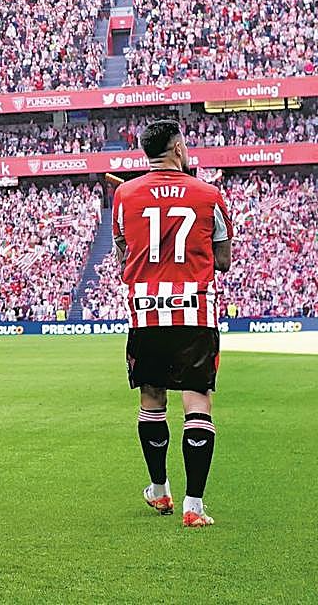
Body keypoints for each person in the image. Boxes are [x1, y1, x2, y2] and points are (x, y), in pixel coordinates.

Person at [113, 120, 233, 528]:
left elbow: (122, 256)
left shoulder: (124, 195)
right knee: (197, 400)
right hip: (195, 312)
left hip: (146, 312)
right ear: (179, 148)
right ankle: (193, 505)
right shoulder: (208, 195)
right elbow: (223, 261)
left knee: (152, 398)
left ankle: (160, 489)